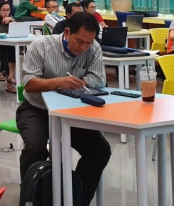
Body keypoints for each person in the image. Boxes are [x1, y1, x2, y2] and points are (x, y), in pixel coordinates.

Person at [17, 12, 110, 206]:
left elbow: (99, 79)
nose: (83, 48)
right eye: (79, 41)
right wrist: (59, 82)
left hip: (71, 112)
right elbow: (29, 83)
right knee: (35, 148)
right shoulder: (41, 46)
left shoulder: (93, 48)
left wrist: (78, 82)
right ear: (67, 32)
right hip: (37, 109)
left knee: (100, 150)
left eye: (88, 43)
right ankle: (31, 198)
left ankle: (77, 199)